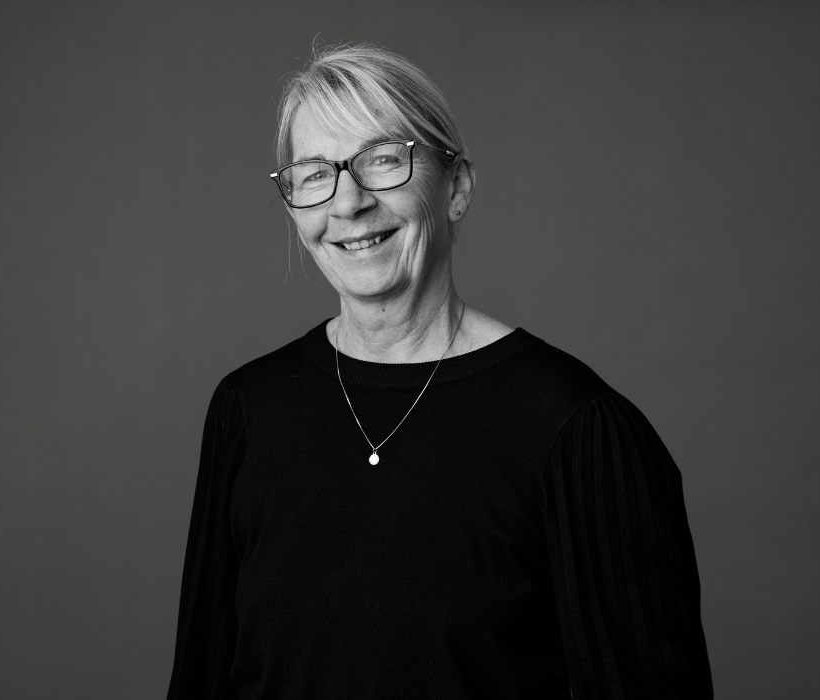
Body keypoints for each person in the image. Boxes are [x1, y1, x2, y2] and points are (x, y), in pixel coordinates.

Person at [166, 43, 712, 700]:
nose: (348, 203)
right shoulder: (248, 409)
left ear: (456, 188)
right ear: (293, 204)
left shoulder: (576, 430)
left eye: (382, 160)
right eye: (315, 174)